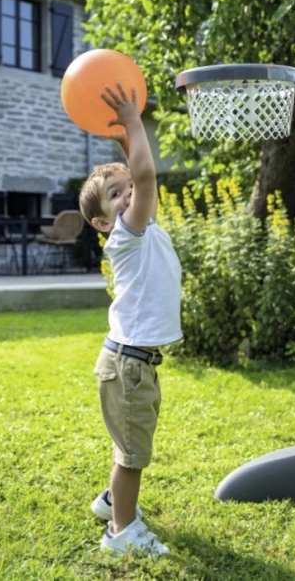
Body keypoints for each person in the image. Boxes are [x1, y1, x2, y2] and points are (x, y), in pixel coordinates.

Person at [79, 82, 182, 556]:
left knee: (131, 443)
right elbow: (145, 174)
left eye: (128, 190)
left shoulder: (142, 228)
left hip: (135, 365)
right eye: (115, 194)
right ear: (102, 222)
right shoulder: (125, 235)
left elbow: (138, 172)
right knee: (133, 454)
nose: (129, 195)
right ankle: (121, 533)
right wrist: (134, 120)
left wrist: (125, 136)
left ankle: (110, 503)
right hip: (128, 368)